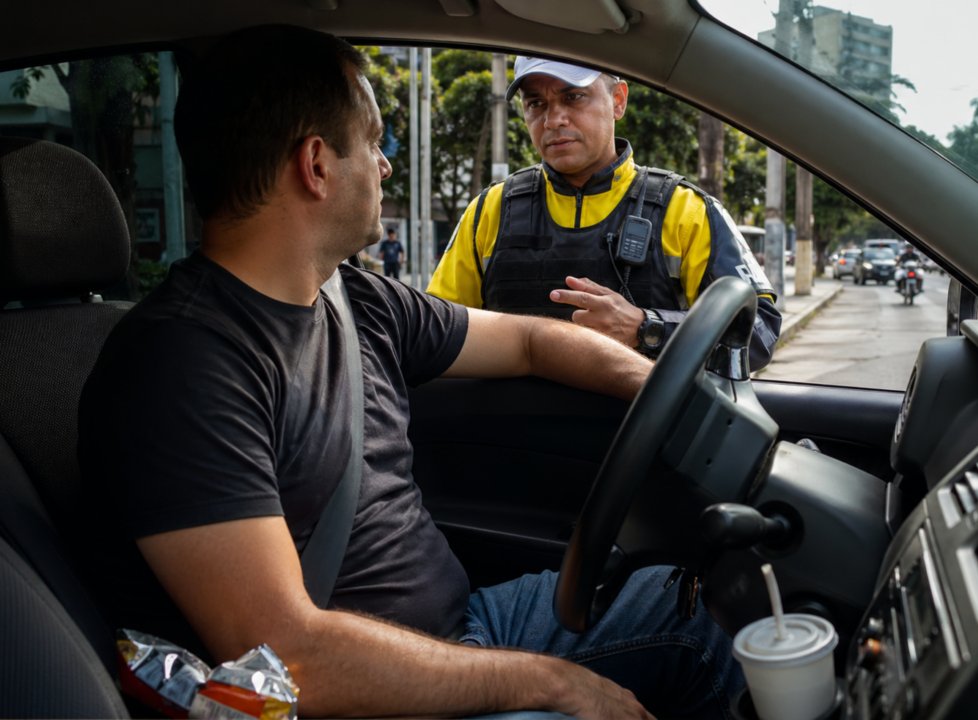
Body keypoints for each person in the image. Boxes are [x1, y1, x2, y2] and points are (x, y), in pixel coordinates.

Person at [77, 26, 743, 720]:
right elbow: (284, 657)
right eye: (372, 142)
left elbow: (527, 342)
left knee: (702, 610)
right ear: (316, 164)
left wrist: (664, 393)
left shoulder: (354, 297)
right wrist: (550, 682)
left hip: (463, 633)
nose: (386, 166)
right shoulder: (181, 366)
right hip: (366, 695)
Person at [427, 57, 781, 368]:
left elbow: (759, 331)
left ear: (618, 100)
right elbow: (431, 334)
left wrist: (648, 328)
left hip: (637, 437)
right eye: (536, 103)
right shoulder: (488, 211)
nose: (552, 120)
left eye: (573, 97)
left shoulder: (685, 210)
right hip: (506, 442)